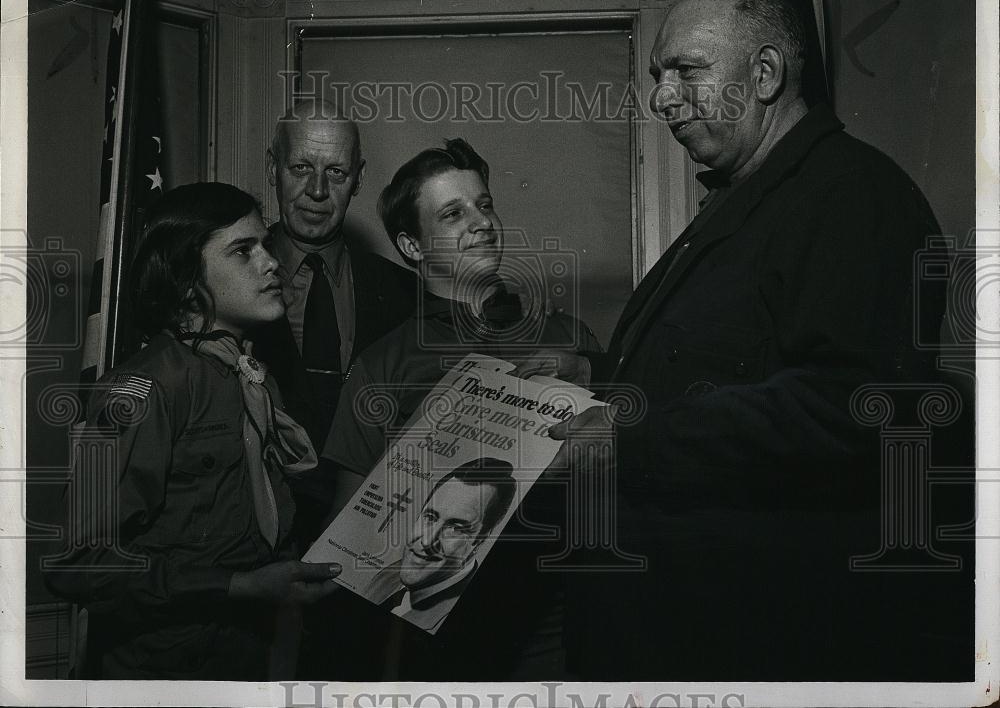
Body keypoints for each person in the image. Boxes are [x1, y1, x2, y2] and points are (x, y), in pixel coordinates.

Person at [521, 0, 969, 680]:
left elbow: (852, 406)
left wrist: (626, 443)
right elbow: (721, 366)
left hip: (751, 644)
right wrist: (594, 377)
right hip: (675, 630)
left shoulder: (851, 197)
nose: (662, 98)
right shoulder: (751, 195)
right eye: (658, 77)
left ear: (764, 75)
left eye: (686, 71)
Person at [322, 137, 599, 679]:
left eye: (485, 204)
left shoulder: (569, 340)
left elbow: (624, 476)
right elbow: (348, 532)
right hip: (434, 642)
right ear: (412, 246)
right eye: (453, 213)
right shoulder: (383, 366)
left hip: (555, 628)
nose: (482, 222)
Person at [45, 183, 341, 680]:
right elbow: (76, 560)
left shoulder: (251, 376)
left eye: (265, 245)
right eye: (244, 251)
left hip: (259, 658)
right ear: (185, 279)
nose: (272, 263)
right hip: (171, 669)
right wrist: (237, 587)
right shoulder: (144, 388)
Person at [250, 99, 417, 545]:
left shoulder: (404, 293)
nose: (317, 191)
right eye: (301, 167)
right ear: (273, 168)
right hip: (257, 543)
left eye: (336, 173)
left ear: (359, 178)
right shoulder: (227, 284)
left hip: (372, 536)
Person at [362, 458, 517, 634]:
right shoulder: (389, 575)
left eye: (455, 528)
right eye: (430, 517)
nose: (427, 541)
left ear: (480, 540)